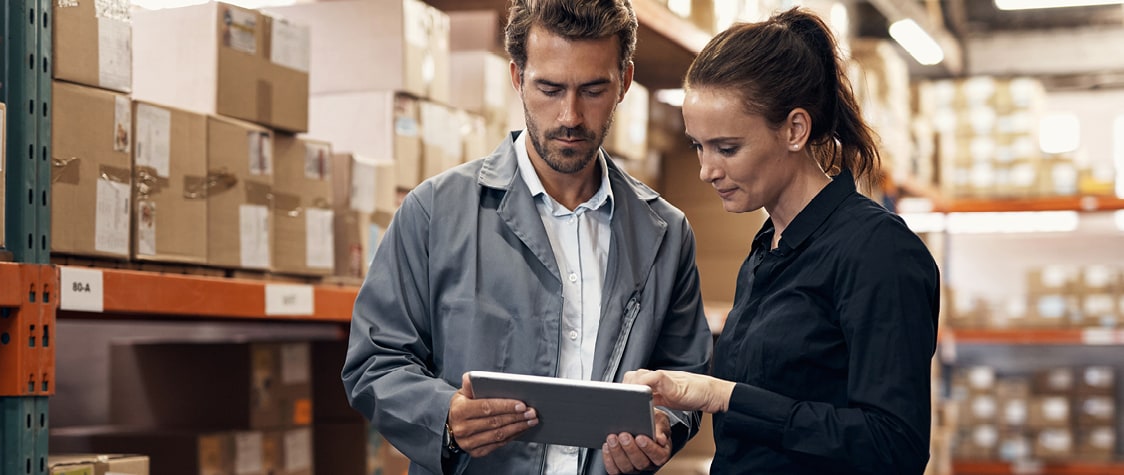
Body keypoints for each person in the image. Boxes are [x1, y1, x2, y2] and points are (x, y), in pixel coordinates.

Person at [342, 1, 713, 474]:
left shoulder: (665, 234)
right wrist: (445, 418)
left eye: (594, 89)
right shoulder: (435, 212)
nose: (570, 116)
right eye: (550, 88)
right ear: (517, 77)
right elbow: (375, 361)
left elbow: (685, 379)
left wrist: (665, 425)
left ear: (624, 82)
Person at [623, 7, 940, 475]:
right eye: (699, 146)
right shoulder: (765, 252)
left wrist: (725, 395)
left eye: (727, 148)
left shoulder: (878, 253)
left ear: (795, 129)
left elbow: (894, 446)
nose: (707, 170)